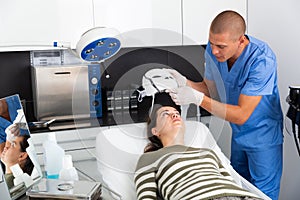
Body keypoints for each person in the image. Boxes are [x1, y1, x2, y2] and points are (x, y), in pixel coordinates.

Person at [166, 10, 283, 200]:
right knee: (236, 188)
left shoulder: (261, 60)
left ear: (241, 41)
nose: (214, 51)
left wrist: (197, 99)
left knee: (262, 195)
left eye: (220, 46)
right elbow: (210, 90)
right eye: (211, 43)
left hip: (263, 137)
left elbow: (242, 114)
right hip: (238, 135)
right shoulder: (214, 53)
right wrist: (183, 82)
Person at [134, 92, 262, 200]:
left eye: (176, 112)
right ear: (155, 130)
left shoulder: (208, 153)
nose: (174, 115)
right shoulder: (149, 159)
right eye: (165, 114)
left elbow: (230, 181)